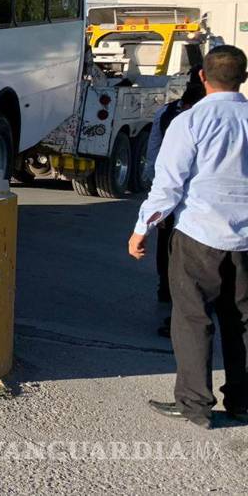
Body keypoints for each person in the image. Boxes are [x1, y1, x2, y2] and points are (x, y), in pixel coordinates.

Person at [128, 45, 248, 429]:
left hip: (198, 234)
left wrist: (141, 228)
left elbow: (168, 186)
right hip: (246, 240)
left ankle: (195, 404)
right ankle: (242, 401)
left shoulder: (190, 122)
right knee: (242, 320)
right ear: (243, 78)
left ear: (202, 77)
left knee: (193, 319)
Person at [143, 69, 206, 338]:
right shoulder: (179, 115)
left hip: (180, 197)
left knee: (172, 249)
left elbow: (156, 152)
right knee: (175, 250)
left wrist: (151, 182)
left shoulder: (174, 115)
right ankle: (177, 296)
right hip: (190, 199)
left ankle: (173, 297)